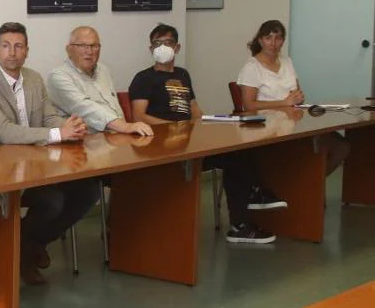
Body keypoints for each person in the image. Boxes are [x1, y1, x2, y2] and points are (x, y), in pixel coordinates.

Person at [129, 23, 287, 243]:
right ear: (151, 49)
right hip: (162, 146)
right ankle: (252, 197)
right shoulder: (143, 78)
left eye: (168, 43)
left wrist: (207, 123)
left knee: (238, 152)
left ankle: (241, 221)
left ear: (177, 47)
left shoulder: (183, 74)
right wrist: (173, 127)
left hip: (189, 142)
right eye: (158, 43)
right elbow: (139, 116)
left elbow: (194, 108)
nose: (163, 47)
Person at [0, 22, 99, 285]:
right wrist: (56, 135)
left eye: (18, 46)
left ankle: (26, 245)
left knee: (88, 190)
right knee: (53, 202)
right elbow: (6, 133)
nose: (12, 52)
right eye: (6, 46)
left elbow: (49, 115)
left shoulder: (34, 79)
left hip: (36, 164)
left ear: (27, 50)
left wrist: (69, 127)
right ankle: (25, 249)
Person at [237, 19, 348, 174]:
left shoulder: (287, 61)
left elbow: (297, 92)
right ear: (260, 40)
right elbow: (249, 105)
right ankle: (308, 185)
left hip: (292, 124)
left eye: (278, 38)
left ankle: (312, 184)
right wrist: (284, 102)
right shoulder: (252, 67)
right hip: (268, 130)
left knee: (341, 147)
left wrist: (298, 97)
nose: (273, 43)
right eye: (268, 38)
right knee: (314, 150)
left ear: (283, 41)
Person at [47, 26, 154, 136]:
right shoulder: (58, 76)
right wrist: (126, 126)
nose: (89, 51)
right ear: (69, 49)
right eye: (83, 46)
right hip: (85, 143)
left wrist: (126, 130)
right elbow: (85, 108)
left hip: (118, 138)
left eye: (94, 46)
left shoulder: (103, 70)